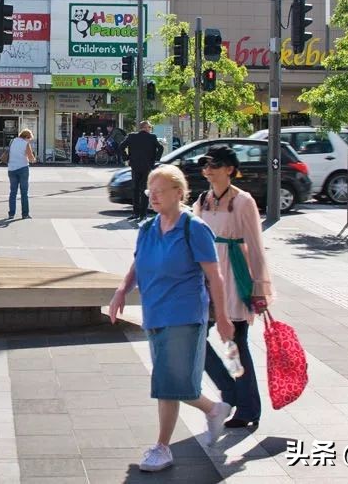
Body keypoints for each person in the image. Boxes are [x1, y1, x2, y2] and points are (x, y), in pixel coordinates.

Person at [109, 164, 234, 472]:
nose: (153, 196)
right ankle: (215, 409)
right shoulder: (148, 229)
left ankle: (162, 447)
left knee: (166, 381)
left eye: (160, 191)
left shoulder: (194, 228)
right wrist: (121, 291)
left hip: (185, 314)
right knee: (176, 382)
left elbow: (215, 277)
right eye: (150, 191)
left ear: (179, 193)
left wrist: (225, 318)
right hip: (154, 314)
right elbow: (138, 265)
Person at [193, 145, 273, 429]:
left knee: (235, 344)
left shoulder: (243, 201)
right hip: (207, 276)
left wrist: (259, 287)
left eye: (214, 165)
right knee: (195, 339)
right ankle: (230, 389)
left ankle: (248, 408)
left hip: (235, 274)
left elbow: (256, 245)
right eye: (205, 166)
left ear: (229, 169)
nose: (208, 171)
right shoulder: (202, 200)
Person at [118, 121, 165, 222]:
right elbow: (160, 148)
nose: (150, 129)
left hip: (135, 166)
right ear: (146, 127)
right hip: (147, 167)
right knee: (144, 190)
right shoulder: (152, 137)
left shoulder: (131, 136)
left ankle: (135, 213)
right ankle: (143, 214)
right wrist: (156, 159)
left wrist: (126, 158)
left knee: (135, 189)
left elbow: (121, 146)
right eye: (149, 127)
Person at [6, 128, 36, 220]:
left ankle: (11, 214)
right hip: (23, 168)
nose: (29, 140)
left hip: (11, 169)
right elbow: (31, 158)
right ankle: (25, 214)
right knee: (24, 193)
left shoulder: (12, 141)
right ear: (27, 137)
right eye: (29, 138)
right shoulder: (26, 144)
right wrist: (34, 159)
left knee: (13, 192)